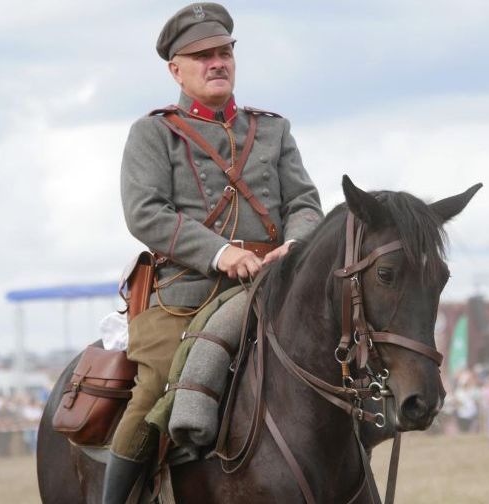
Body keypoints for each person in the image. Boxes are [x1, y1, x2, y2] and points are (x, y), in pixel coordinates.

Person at [103, 3, 323, 502]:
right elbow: (146, 213)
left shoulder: (272, 130)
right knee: (155, 387)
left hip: (273, 285)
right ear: (175, 69)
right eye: (202, 55)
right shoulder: (153, 133)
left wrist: (295, 246)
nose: (216, 62)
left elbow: (305, 203)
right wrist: (220, 253)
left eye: (224, 52)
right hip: (187, 292)